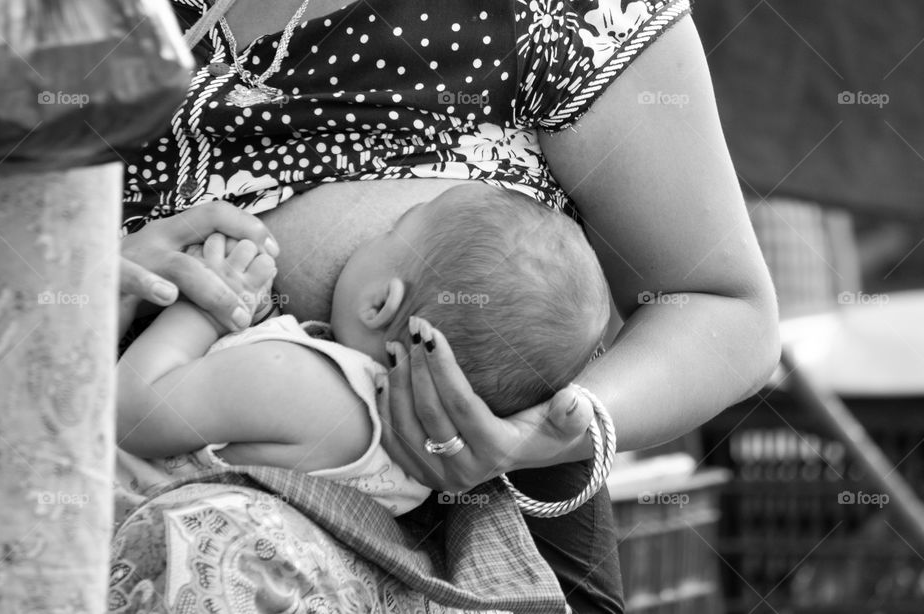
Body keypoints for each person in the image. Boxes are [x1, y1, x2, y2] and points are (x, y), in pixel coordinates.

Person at [119, 0, 781, 610]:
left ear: (382, 302)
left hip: (479, 552)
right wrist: (92, 276)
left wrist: (542, 435)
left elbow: (724, 309)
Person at [117, 184, 610, 516]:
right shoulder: (406, 468)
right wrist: (261, 321)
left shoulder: (292, 378)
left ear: (379, 303)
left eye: (391, 231)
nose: (379, 234)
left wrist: (207, 309)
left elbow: (129, 414)